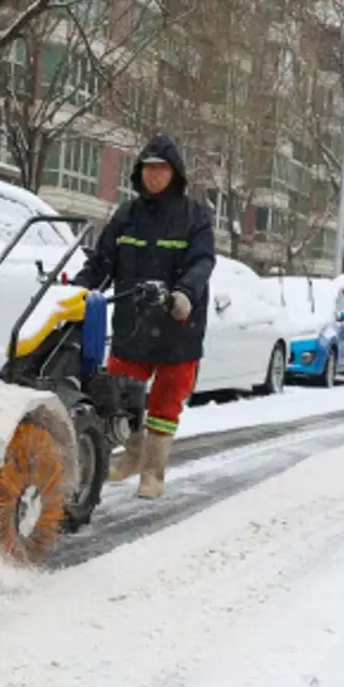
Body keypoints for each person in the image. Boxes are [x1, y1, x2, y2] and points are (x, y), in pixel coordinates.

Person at [70, 134, 215, 499]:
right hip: (133, 324)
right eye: (148, 169)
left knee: (165, 404)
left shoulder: (194, 217)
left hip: (178, 325)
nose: (154, 176)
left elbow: (201, 262)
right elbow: (103, 261)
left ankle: (153, 472)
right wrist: (77, 290)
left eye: (161, 169)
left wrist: (184, 294)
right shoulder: (126, 216)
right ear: (140, 173)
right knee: (121, 397)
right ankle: (132, 456)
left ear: (174, 173)